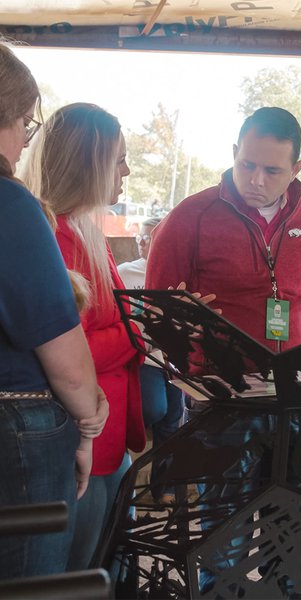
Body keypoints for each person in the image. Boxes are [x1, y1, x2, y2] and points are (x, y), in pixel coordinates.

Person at [23, 102, 146, 571]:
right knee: (79, 570)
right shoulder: (52, 236)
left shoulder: (81, 229)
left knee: (98, 560)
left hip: (102, 435)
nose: (127, 171)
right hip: (79, 439)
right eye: (119, 159)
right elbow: (62, 349)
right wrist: (137, 332)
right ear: (88, 164)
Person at [0, 43, 107, 580]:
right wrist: (90, 425)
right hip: (19, 424)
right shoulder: (11, 205)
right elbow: (62, 349)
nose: (24, 140)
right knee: (32, 583)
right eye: (23, 121)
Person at [146, 106, 301, 353]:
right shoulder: (190, 216)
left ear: (296, 169)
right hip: (217, 379)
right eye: (247, 165)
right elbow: (155, 308)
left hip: (295, 373)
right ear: (234, 153)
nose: (257, 180)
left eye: (272, 170)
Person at [118, 217, 185, 502]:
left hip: (173, 357)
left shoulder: (177, 272)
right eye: (140, 237)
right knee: (154, 409)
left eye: (149, 237)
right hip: (143, 356)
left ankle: (163, 488)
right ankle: (126, 463)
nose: (142, 242)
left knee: (174, 418)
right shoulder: (125, 272)